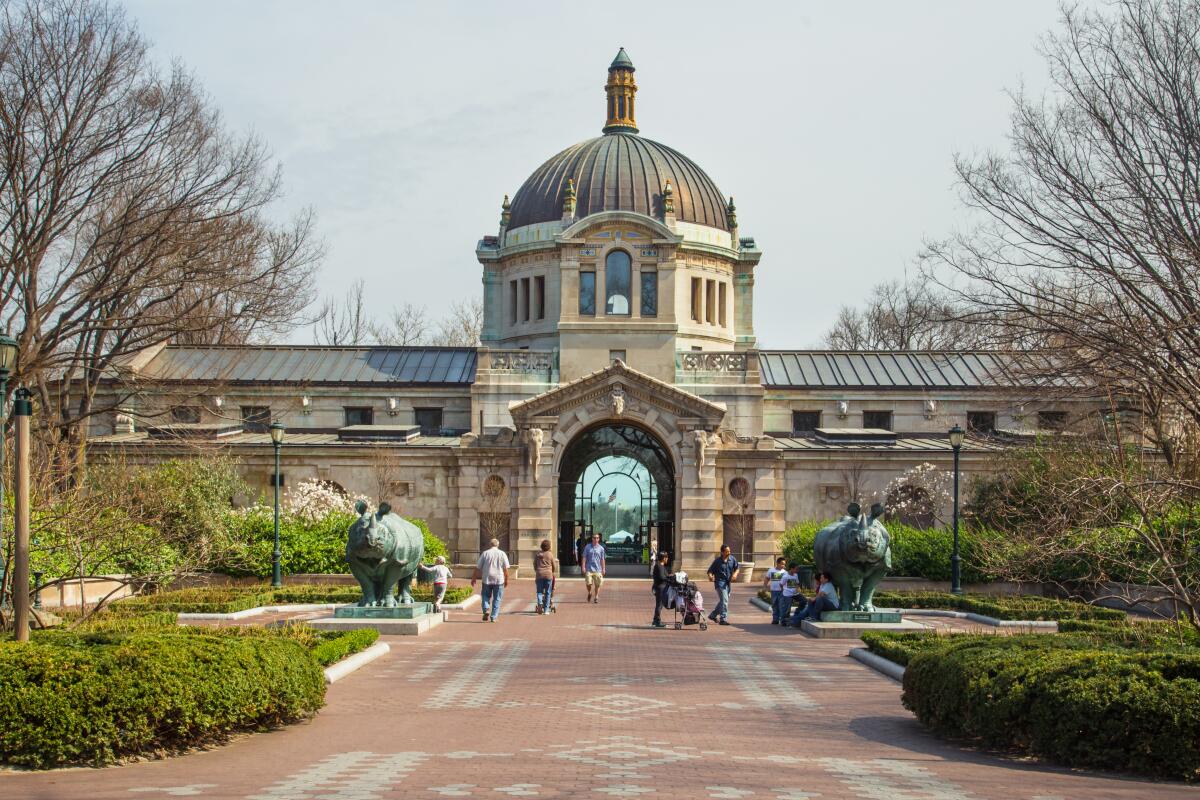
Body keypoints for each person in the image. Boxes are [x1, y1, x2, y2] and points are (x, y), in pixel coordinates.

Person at [471, 538, 510, 622]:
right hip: (499, 579)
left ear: (490, 544)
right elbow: (505, 569)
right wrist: (507, 579)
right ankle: (494, 617)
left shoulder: (485, 553)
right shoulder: (502, 554)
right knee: (497, 598)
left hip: (487, 578)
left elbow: (477, 567)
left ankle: (486, 609)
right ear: (498, 545)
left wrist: (474, 578)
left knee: (485, 595)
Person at [706, 544, 739, 625]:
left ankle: (712, 615)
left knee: (723, 601)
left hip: (728, 583)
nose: (729, 553)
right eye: (727, 551)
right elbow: (710, 571)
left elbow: (737, 568)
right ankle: (723, 619)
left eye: (729, 551)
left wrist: (735, 574)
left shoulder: (732, 559)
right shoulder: (717, 561)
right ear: (722, 552)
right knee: (725, 601)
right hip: (720, 583)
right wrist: (710, 577)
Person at [763, 556, 789, 625]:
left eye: (784, 564)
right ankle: (775, 619)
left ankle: (783, 620)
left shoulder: (785, 572)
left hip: (782, 592)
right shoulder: (771, 570)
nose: (783, 565)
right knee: (774, 605)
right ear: (777, 563)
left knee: (781, 605)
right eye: (782, 564)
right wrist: (765, 587)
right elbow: (767, 578)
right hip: (774, 591)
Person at [533, 539, 557, 614]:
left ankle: (540, 603)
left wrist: (537, 571)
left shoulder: (537, 554)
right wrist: (552, 571)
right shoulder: (550, 554)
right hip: (548, 575)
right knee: (548, 592)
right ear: (549, 546)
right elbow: (554, 565)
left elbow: (534, 564)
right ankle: (546, 610)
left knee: (539, 592)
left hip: (539, 574)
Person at [582, 532, 607, 603]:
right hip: (588, 569)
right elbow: (584, 557)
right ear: (592, 539)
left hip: (597, 569)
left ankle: (596, 597)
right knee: (588, 583)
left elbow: (602, 559)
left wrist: (603, 569)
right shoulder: (587, 547)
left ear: (599, 539)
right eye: (594, 538)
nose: (596, 539)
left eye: (597, 538)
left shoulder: (601, 548)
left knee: (597, 584)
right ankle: (589, 592)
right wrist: (583, 567)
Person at [650, 550, 671, 628]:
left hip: (661, 587)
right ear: (664, 558)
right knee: (659, 605)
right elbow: (662, 577)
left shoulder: (660, 566)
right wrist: (668, 578)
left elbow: (664, 576)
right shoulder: (659, 566)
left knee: (659, 605)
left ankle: (655, 620)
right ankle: (657, 621)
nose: (667, 559)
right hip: (660, 588)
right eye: (667, 557)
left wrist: (669, 577)